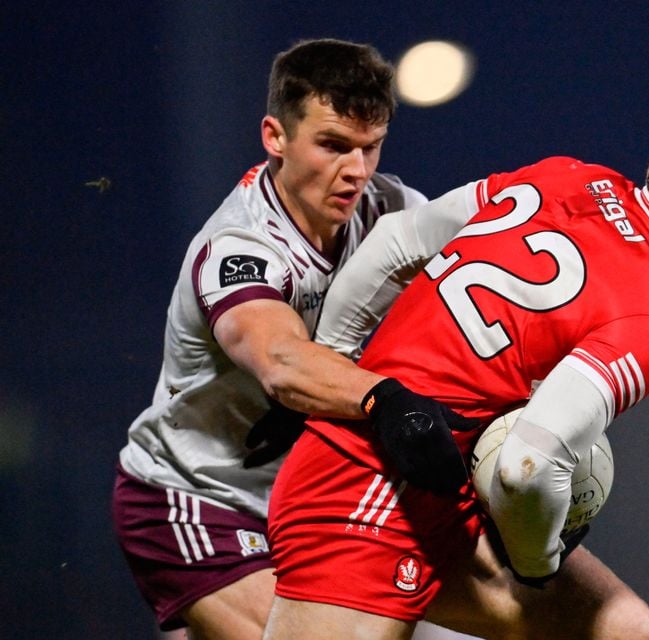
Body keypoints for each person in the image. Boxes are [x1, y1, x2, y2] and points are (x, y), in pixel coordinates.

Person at [263, 106, 649, 639]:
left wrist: (330, 366)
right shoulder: (648, 321)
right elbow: (526, 468)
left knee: (623, 629)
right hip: (365, 490)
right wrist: (536, 564)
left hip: (435, 490)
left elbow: (395, 241)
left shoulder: (564, 175)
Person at [112, 38, 477, 640]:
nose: (356, 170)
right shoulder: (240, 246)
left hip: (311, 506)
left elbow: (482, 275)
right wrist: (386, 401)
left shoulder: (388, 208)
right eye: (333, 145)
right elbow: (280, 359)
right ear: (275, 137)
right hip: (199, 504)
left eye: (370, 146)